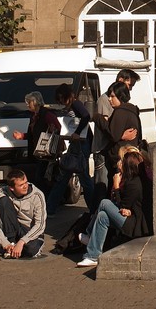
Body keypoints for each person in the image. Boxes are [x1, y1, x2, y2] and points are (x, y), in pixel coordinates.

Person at [77, 151, 148, 267]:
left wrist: (116, 187)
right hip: (129, 217)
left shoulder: (134, 184)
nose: (120, 163)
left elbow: (122, 205)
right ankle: (92, 255)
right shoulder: (130, 180)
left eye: (123, 162)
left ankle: (89, 234)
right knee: (102, 216)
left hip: (134, 225)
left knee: (104, 203)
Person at [46, 84, 95, 215]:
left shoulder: (76, 104)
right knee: (70, 175)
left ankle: (93, 208)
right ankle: (51, 207)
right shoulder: (73, 105)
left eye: (61, 98)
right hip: (78, 143)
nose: (61, 101)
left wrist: (77, 132)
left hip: (80, 144)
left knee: (79, 176)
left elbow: (86, 116)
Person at [0, 169, 47, 259]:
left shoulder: (37, 195)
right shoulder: (0, 194)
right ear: (11, 188)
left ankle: (23, 247)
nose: (25, 186)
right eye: (21, 185)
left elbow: (40, 225)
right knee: (3, 202)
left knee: (30, 251)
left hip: (29, 231)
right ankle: (11, 245)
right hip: (12, 229)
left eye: (26, 182)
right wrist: (5, 244)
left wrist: (22, 242)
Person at [13, 91, 61, 191]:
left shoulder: (46, 114)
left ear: (35, 102)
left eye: (29, 102)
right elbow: (32, 134)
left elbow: (57, 127)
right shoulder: (35, 116)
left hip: (45, 152)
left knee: (41, 178)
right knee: (40, 178)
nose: (27, 104)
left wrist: (52, 131)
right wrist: (21, 136)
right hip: (38, 152)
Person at [93, 82, 141, 176]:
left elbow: (113, 135)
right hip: (128, 158)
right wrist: (121, 136)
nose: (110, 99)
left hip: (119, 159)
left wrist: (97, 118)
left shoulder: (120, 112)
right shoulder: (131, 110)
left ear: (121, 96)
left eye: (112, 96)